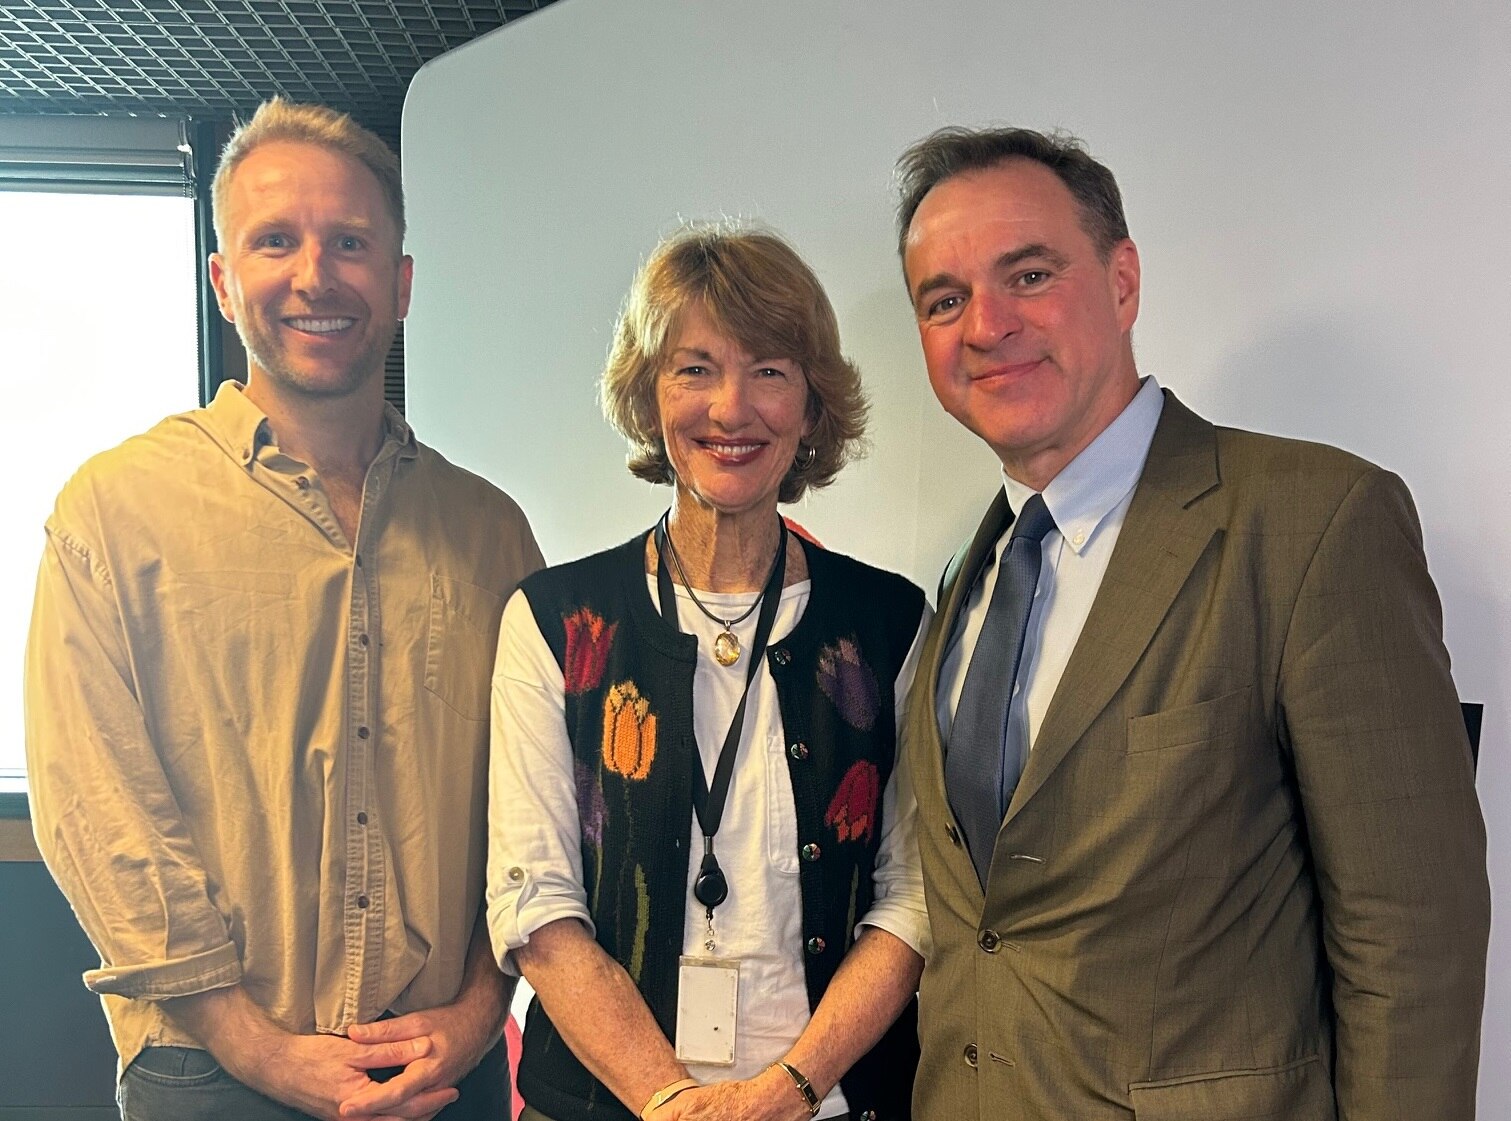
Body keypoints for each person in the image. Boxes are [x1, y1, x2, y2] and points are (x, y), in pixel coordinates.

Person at [893, 125, 1491, 1120]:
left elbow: (1411, 936)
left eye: (1027, 273)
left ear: (1120, 281)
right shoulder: (967, 574)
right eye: (942, 299)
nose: (984, 324)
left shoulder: (1308, 520)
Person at [25, 97, 543, 1121]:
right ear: (224, 281)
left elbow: (536, 807)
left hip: (441, 1072)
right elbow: (98, 809)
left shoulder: (491, 535)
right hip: (208, 1075)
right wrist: (252, 1041)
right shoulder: (112, 513)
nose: (315, 275)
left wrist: (486, 1006)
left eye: (350, 242)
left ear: (399, 283)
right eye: (276, 241)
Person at [487, 225, 928, 1121]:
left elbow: (912, 896)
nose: (732, 408)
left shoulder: (887, 623)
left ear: (811, 407)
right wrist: (671, 1100)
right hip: (605, 1108)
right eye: (694, 368)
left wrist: (785, 1091)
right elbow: (534, 902)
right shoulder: (554, 621)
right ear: (650, 398)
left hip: (831, 1104)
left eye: (769, 369)